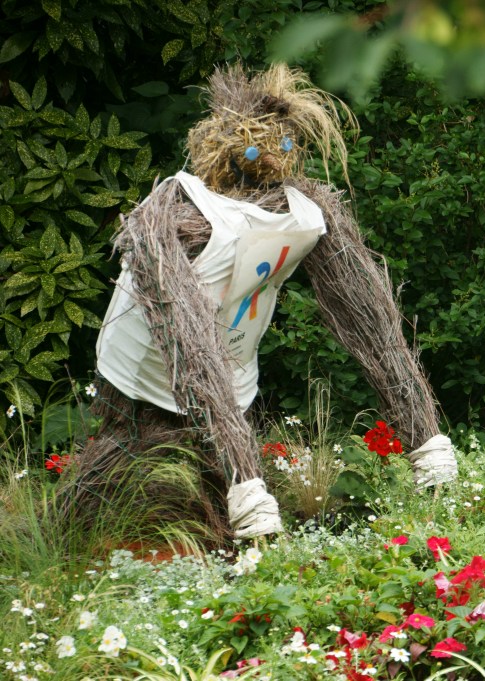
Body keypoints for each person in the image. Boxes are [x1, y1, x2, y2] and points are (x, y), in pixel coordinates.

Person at [65, 64, 457, 538]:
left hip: (233, 371)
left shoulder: (306, 211)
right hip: (140, 374)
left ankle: (230, 531)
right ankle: (89, 534)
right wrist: (246, 483)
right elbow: (183, 333)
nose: (270, 160)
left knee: (208, 498)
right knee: (126, 471)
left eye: (283, 147)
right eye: (254, 149)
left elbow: (368, 316)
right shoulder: (174, 212)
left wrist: (428, 444)